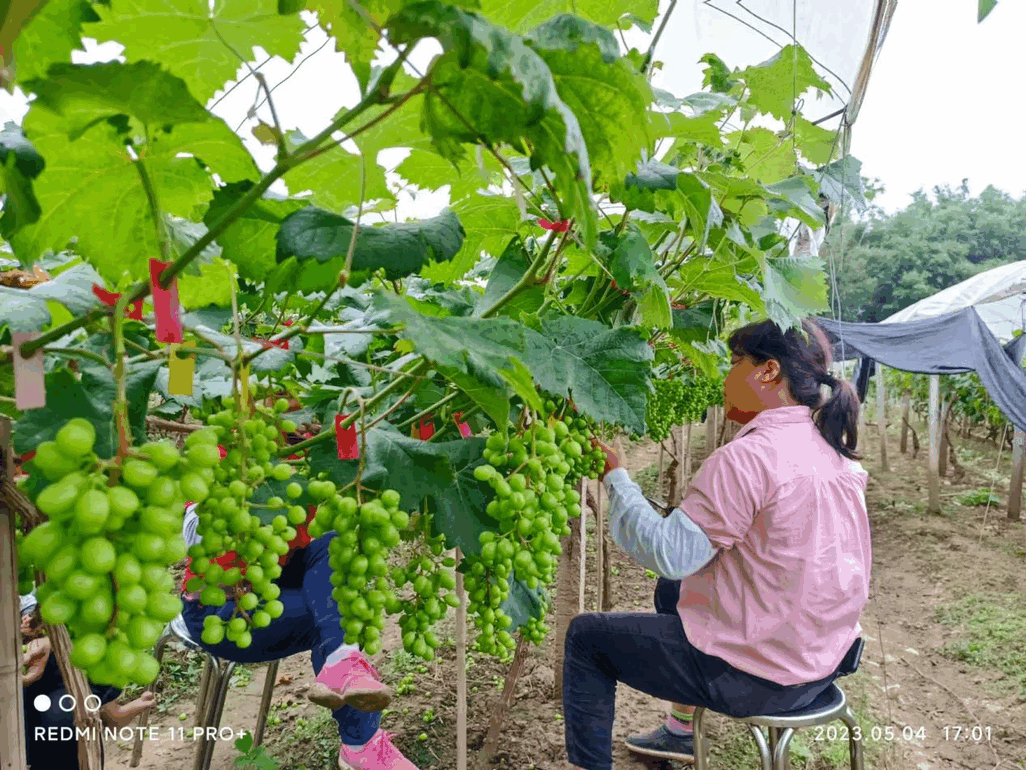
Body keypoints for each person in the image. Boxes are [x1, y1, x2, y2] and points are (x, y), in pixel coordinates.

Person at [562, 318, 871, 770]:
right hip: (823, 658)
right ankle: (680, 732)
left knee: (587, 638)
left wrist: (617, 477)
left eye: (733, 363)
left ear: (767, 372)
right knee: (674, 590)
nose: (724, 378)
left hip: (764, 676)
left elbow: (669, 553)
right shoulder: (833, 452)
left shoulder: (749, 457)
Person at [179, 444, 420, 770]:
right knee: (333, 615)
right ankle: (360, 744)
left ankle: (342, 664)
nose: (301, 410)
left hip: (275, 589)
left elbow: (354, 464)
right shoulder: (240, 445)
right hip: (221, 611)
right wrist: (245, 498)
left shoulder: (319, 448)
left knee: (334, 553)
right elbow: (192, 533)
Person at [21, 594, 156, 768]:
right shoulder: (43, 656)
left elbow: (109, 718)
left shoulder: (93, 673)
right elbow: (110, 719)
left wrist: (138, 705)